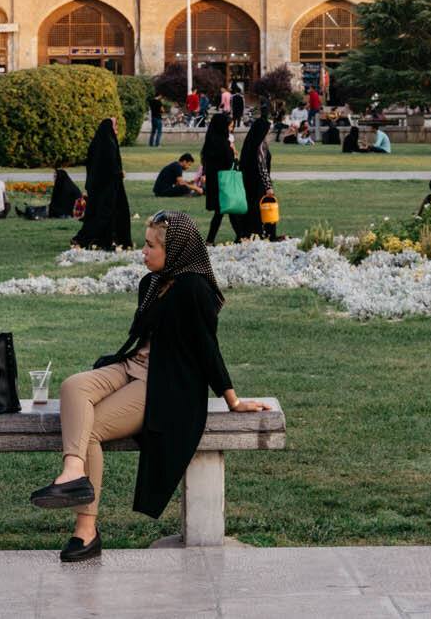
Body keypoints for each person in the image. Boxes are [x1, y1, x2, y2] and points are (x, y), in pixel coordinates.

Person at [27, 211, 269, 562]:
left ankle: (86, 530)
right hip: (132, 366)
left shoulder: (194, 289)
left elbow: (207, 349)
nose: (143, 251)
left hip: (166, 383)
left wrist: (232, 400)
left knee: (89, 428)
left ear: (175, 250)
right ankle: (74, 471)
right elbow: (142, 339)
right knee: (72, 387)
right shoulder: (152, 283)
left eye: (150, 245)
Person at [72, 118, 132, 249]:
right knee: (104, 213)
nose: (116, 130)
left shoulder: (98, 143)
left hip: (99, 186)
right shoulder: (108, 144)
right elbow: (109, 166)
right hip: (107, 187)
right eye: (115, 126)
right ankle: (99, 239)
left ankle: (105, 239)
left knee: (98, 213)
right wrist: (119, 173)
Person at [200, 112, 238, 244]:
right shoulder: (224, 143)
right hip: (224, 181)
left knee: (222, 211)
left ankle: (212, 239)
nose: (231, 129)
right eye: (230, 126)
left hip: (214, 181)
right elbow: (229, 162)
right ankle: (240, 236)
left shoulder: (210, 142)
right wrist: (233, 151)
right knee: (229, 209)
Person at [232, 116, 272, 239]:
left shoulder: (250, 142)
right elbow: (262, 167)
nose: (269, 131)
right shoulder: (260, 144)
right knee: (260, 208)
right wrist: (268, 186)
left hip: (248, 181)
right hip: (258, 182)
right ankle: (259, 232)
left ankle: (248, 232)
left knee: (250, 207)